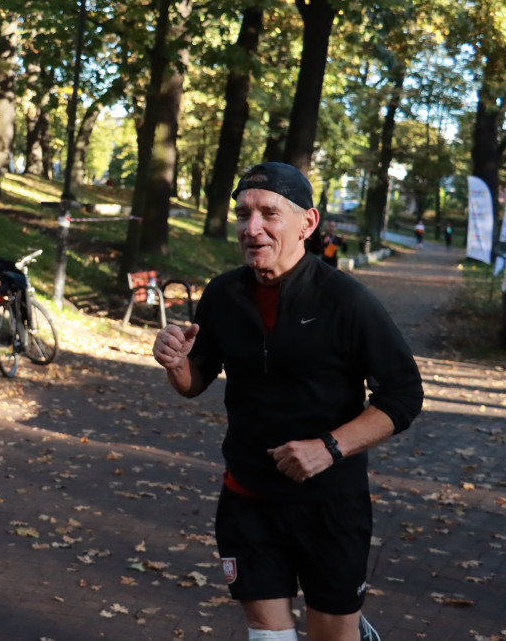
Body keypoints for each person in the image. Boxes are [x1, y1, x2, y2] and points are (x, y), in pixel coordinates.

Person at [152, 162, 423, 641]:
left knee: (329, 635)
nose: (251, 228)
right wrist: (176, 363)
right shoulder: (222, 295)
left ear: (308, 223)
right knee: (267, 633)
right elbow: (196, 381)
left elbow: (403, 394)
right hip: (247, 496)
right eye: (243, 214)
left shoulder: (346, 301)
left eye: (269, 214)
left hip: (330, 503)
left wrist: (329, 447)